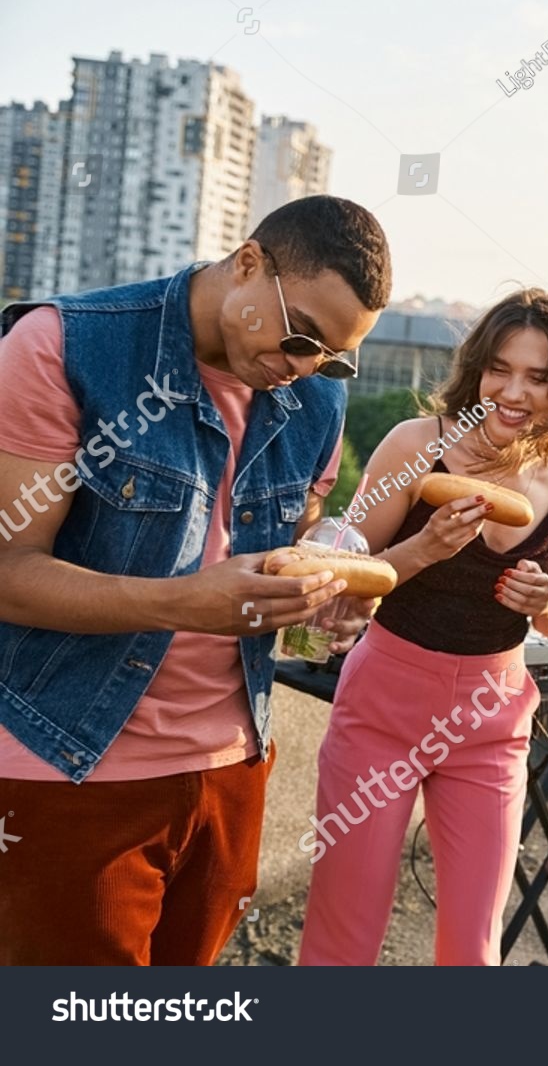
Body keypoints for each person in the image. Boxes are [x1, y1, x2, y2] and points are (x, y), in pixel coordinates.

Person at [0, 195, 391, 964]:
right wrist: (187, 603)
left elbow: (291, 537)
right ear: (248, 262)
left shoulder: (317, 395)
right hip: (66, 767)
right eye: (302, 336)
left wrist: (325, 584)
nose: (307, 367)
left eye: (334, 355)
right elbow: (9, 573)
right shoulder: (61, 345)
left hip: (232, 772)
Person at [298, 287, 548, 966]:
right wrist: (423, 550)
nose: (513, 391)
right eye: (500, 368)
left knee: (472, 947)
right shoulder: (415, 446)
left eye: (539, 377)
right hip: (385, 703)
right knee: (344, 935)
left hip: (492, 719)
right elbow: (349, 569)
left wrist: (543, 599)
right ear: (476, 369)